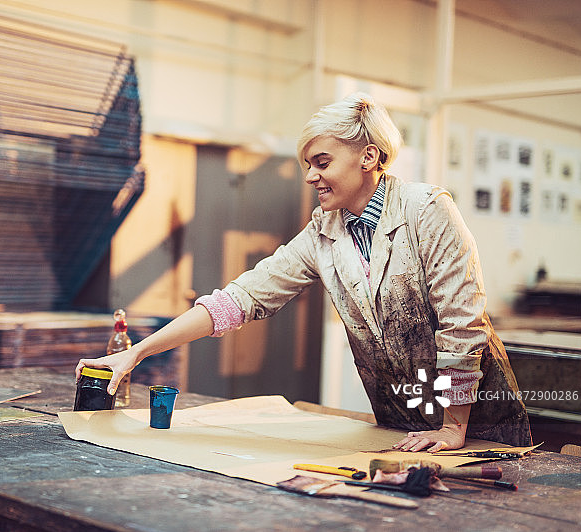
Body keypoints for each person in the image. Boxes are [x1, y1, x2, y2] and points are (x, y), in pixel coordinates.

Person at [76, 92, 532, 451]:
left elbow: (461, 324)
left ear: (369, 158)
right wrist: (136, 354)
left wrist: (454, 428)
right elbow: (238, 300)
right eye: (307, 165)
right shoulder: (323, 232)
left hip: (479, 427)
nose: (311, 176)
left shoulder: (427, 210)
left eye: (323, 162)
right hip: (401, 427)